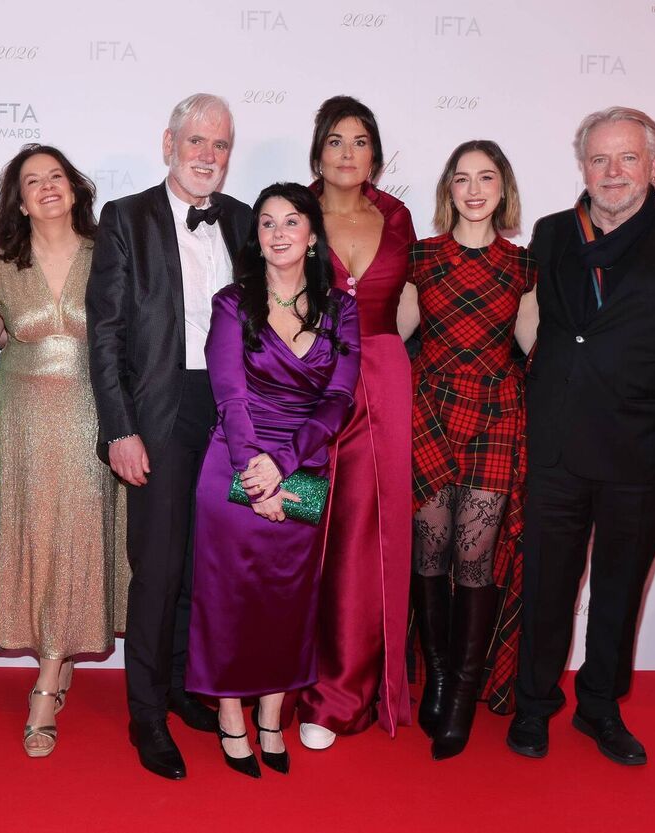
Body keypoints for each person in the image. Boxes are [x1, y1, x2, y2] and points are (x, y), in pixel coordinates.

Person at [507, 107, 655, 766]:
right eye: (599, 159)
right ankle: (533, 704)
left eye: (627, 158)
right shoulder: (552, 234)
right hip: (553, 446)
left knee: (618, 590)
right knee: (545, 586)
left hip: (643, 452)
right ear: (582, 166)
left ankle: (600, 705)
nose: (612, 172)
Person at [87, 93, 252, 780]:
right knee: (157, 566)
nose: (207, 155)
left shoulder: (244, 219)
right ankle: (146, 714)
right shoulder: (125, 218)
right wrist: (119, 428)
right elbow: (104, 333)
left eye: (220, 144)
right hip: (158, 410)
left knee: (203, 561)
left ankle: (184, 685)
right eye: (196, 141)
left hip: (232, 409)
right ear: (168, 143)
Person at [187, 183, 360, 778]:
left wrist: (284, 464)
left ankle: (270, 716)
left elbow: (338, 399)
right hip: (234, 463)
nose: (279, 232)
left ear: (312, 235)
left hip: (303, 467)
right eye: (267, 223)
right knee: (229, 601)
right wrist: (256, 474)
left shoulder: (342, 309)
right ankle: (230, 717)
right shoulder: (232, 303)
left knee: (287, 602)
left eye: (291, 221)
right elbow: (230, 396)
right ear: (255, 236)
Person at [0, 144, 124, 757]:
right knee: (37, 536)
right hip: (22, 420)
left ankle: (46, 681)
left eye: (56, 176)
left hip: (93, 413)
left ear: (75, 187)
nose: (46, 187)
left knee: (79, 536)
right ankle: (56, 653)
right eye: (31, 181)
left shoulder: (108, 253)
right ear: (18, 201)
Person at [398, 140, 537, 759]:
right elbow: (387, 336)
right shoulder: (421, 258)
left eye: (486, 178)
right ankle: (437, 676)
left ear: (503, 188)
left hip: (496, 413)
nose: (474, 190)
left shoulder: (523, 266)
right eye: (462, 178)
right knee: (429, 552)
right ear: (448, 190)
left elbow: (537, 344)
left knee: (475, 557)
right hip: (429, 409)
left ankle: (460, 696)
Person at [296, 95, 416, 750]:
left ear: (376, 154)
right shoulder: (291, 210)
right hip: (307, 380)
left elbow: (411, 306)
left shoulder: (397, 218)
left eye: (360, 140)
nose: (348, 152)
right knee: (298, 527)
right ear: (318, 152)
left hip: (383, 382)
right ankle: (283, 683)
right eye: (336, 140)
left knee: (366, 538)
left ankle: (342, 693)